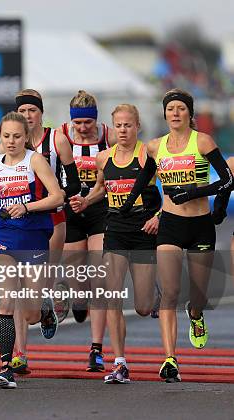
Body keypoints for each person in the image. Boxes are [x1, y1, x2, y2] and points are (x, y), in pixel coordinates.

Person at [121, 88, 233, 382]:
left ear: (189, 114)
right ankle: (170, 358)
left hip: (199, 225)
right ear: (165, 113)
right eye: (170, 108)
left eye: (181, 108)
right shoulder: (155, 147)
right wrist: (129, 204)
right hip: (170, 224)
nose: (175, 113)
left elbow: (227, 180)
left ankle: (195, 314)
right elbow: (144, 177)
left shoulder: (203, 142)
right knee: (169, 293)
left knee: (197, 294)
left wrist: (194, 192)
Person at [0, 112, 64, 389]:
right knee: (6, 300)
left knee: (30, 314)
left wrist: (27, 207)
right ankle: (6, 367)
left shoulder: (36, 161)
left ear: (25, 138)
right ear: (0, 136)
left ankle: (43, 310)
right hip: (5, 236)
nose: (11, 141)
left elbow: (58, 197)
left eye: (17, 136)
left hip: (34, 235)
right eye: (6, 136)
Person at [0, 89, 80, 374]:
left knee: (33, 301)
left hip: (52, 216)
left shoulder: (56, 139)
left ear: (40, 114)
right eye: (23, 111)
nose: (28, 116)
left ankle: (45, 307)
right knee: (11, 293)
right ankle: (19, 354)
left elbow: (72, 183)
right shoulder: (7, 145)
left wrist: (45, 201)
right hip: (12, 226)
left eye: (32, 111)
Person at [70, 104, 161, 384]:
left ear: (138, 127)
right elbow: (101, 188)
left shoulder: (148, 154)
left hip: (144, 230)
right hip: (116, 231)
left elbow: (167, 189)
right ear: (113, 127)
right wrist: (87, 200)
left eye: (128, 125)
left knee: (143, 307)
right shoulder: (103, 158)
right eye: (118, 125)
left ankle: (153, 296)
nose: (123, 130)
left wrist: (158, 216)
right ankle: (120, 362)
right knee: (112, 297)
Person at [59, 90, 115, 372]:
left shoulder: (109, 136)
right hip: (71, 212)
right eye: (78, 123)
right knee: (77, 277)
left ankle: (96, 349)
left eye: (87, 123)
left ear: (96, 120)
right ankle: (77, 297)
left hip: (100, 211)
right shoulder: (61, 137)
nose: (82, 128)